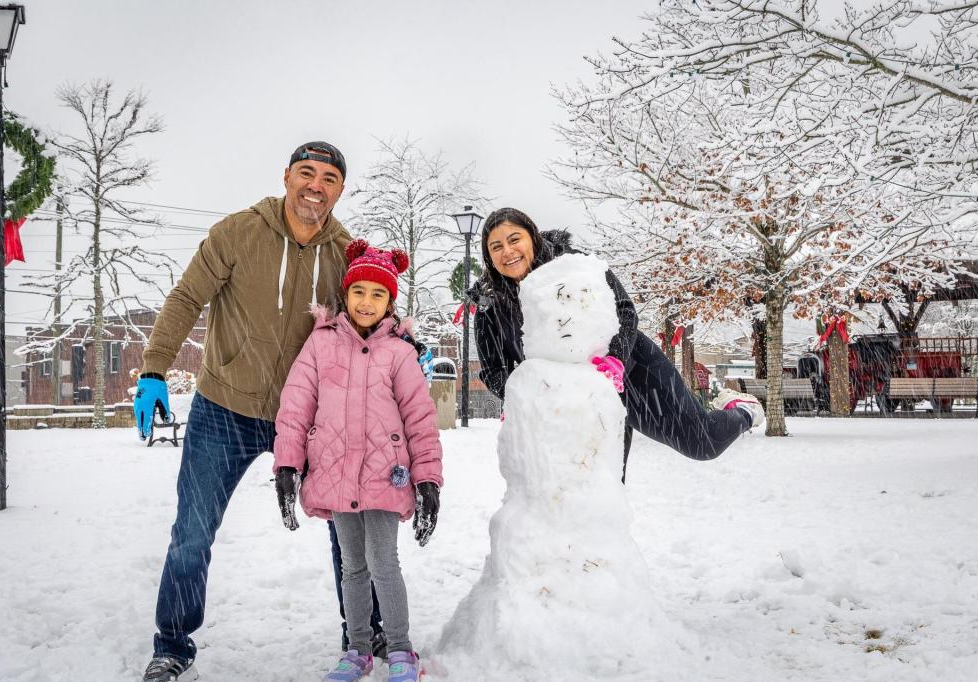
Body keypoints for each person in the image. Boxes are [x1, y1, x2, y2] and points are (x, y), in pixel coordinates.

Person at [133, 142, 391, 682]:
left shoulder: (346, 253)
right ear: (287, 177)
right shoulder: (238, 232)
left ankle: (365, 637)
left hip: (311, 416)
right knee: (192, 532)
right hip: (224, 405)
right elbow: (186, 298)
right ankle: (172, 645)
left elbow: (368, 320)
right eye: (306, 173)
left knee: (351, 529)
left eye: (328, 178)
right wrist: (155, 368)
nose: (315, 186)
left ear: (340, 190)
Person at [469, 207, 764, 481]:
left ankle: (743, 411)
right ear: (489, 257)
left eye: (514, 239)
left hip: (631, 368)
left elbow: (624, 310)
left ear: (531, 237)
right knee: (600, 489)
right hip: (575, 401)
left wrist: (616, 358)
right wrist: (518, 393)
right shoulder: (488, 306)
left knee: (702, 442)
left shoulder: (575, 265)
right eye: (496, 247)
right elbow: (494, 370)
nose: (507, 251)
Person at [273, 239, 442, 682]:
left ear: (390, 302)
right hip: (334, 472)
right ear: (346, 294)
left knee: (384, 562)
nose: (367, 302)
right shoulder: (319, 345)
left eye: (378, 294)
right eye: (360, 291)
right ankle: (359, 649)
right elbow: (296, 405)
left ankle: (401, 648)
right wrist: (287, 465)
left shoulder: (400, 353)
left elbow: (421, 419)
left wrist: (428, 481)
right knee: (353, 565)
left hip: (386, 476)